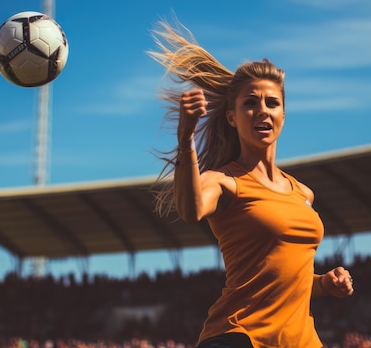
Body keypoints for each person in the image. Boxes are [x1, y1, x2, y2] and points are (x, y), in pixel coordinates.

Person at [149, 20, 354, 348]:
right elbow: (190, 210)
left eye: (272, 103)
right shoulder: (225, 181)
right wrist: (186, 139)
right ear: (232, 117)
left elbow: (285, 275)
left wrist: (324, 284)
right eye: (250, 103)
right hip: (239, 337)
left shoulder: (304, 193)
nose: (262, 111)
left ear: (284, 114)